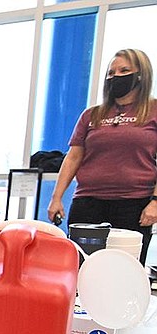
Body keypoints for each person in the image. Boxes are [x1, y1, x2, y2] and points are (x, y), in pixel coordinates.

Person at [48, 48, 157, 265]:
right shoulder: (92, 115)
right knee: (81, 266)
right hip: (88, 202)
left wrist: (155, 201)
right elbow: (73, 157)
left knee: (123, 269)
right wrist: (57, 197)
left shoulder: (153, 111)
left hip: (133, 204)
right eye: (111, 72)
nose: (116, 76)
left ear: (140, 75)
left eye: (124, 70)